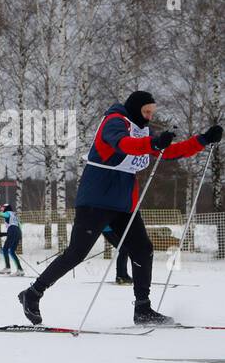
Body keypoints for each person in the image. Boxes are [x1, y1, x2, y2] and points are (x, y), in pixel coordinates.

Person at [19, 91, 219, 325]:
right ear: (135, 109)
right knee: (76, 253)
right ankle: (32, 294)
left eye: (152, 112)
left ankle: (143, 309)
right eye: (146, 112)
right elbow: (123, 144)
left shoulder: (141, 129)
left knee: (142, 249)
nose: (149, 117)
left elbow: (169, 152)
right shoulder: (114, 121)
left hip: (124, 205)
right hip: (96, 200)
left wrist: (203, 139)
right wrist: (152, 143)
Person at [0, 203, 24, 276]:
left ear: (7, 208)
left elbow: (3, 215)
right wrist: (5, 234)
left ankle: (7, 268)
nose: (2, 208)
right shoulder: (15, 215)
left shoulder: (8, 213)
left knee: (5, 249)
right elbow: (20, 225)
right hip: (18, 232)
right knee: (12, 251)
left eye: (3, 207)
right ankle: (20, 270)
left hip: (12, 230)